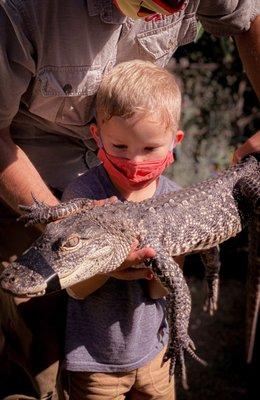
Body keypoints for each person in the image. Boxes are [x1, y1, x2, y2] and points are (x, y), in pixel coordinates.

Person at [0, 1, 259, 399]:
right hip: (30, 166)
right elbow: (79, 278)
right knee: (38, 357)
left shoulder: (166, 189)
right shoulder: (23, 10)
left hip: (148, 343)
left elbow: (247, 18)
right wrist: (56, 225)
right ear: (98, 135)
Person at [62, 59, 184, 400]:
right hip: (95, 363)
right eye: (120, 147)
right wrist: (113, 262)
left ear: (174, 141)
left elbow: (162, 292)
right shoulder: (83, 196)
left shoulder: (174, 200)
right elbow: (77, 289)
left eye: (150, 149)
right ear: (97, 135)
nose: (135, 161)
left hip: (156, 354)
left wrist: (154, 264)